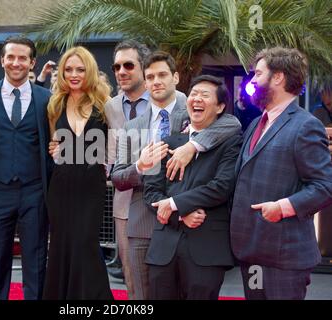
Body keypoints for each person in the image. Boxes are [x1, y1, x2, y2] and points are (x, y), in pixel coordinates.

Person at [111, 51, 242, 300]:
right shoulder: (131, 127)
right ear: (145, 82)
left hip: (190, 228)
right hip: (141, 221)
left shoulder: (190, 111)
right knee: (141, 297)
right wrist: (140, 165)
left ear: (175, 78)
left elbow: (232, 124)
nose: (156, 81)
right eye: (150, 77)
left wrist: (192, 146)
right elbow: (117, 178)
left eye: (162, 75)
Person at [230, 47, 332, 300]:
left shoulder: (306, 125)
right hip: (251, 250)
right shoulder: (256, 123)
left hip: (284, 257)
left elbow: (325, 185)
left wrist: (283, 207)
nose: (252, 81)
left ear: (278, 77)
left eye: (258, 74)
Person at [143, 75, 242, 299]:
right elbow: (150, 192)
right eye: (194, 94)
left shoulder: (232, 142)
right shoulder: (168, 143)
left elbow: (221, 186)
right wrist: (179, 215)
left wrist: (175, 202)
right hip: (164, 247)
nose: (197, 99)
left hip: (206, 248)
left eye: (204, 95)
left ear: (220, 107)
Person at [0, 36, 52, 300]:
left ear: (32, 62)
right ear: (2, 60)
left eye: (22, 58)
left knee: (36, 260)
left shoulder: (46, 98)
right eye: (11, 57)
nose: (16, 63)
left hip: (35, 191)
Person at [43, 46, 113, 300]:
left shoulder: (105, 104)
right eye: (68, 69)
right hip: (60, 186)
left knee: (85, 244)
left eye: (80, 69)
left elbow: (117, 144)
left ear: (90, 71)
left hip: (91, 185)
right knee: (61, 245)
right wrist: (54, 150)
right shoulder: (54, 105)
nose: (74, 74)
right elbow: (53, 144)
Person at [104, 40, 152, 299]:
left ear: (143, 67)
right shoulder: (110, 106)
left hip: (162, 201)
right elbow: (110, 154)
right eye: (117, 66)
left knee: (166, 276)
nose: (121, 71)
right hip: (124, 202)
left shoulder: (173, 99)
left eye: (128, 65)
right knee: (132, 277)